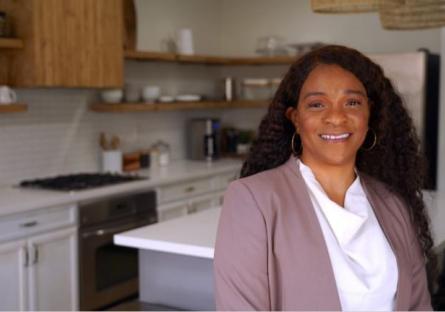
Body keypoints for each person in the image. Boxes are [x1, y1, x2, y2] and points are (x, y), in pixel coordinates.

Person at [213, 45, 434, 311]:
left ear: (369, 114)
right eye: (317, 104)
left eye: (352, 102)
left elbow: (419, 306)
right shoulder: (253, 200)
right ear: (295, 118)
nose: (336, 117)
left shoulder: (394, 204)